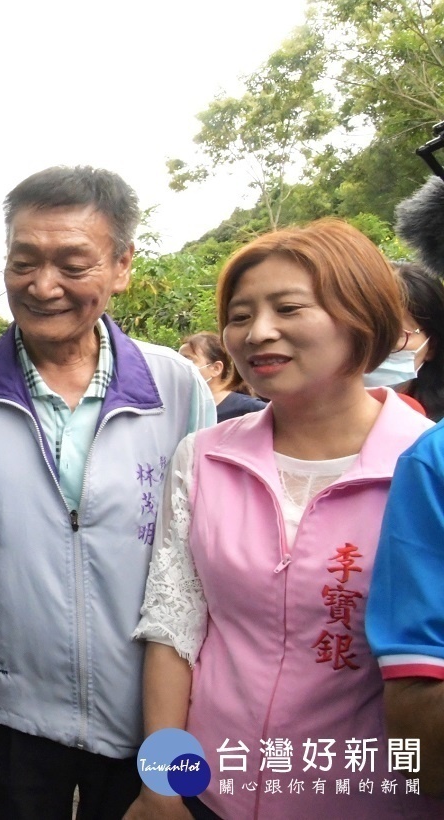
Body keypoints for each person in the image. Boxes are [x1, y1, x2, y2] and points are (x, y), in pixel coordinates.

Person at [0, 166, 215, 820]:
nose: (43, 285)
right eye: (24, 262)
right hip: (5, 715)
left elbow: (201, 565)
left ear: (122, 266)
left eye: (73, 264)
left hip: (151, 711)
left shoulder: (178, 387)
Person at [130, 219, 436, 819]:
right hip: (213, 791)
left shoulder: (426, 467)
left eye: (288, 307)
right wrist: (162, 783)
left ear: (362, 316)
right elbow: (174, 628)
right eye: (240, 315)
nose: (258, 332)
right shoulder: (205, 457)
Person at [363, 262, 444, 420]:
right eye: (364, 330)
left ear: (432, 345)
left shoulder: (435, 434)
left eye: (394, 335)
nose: (374, 346)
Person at [178, 331, 266, 422]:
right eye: (179, 361)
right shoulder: (179, 409)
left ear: (216, 368)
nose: (180, 366)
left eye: (188, 360)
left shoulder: (252, 409)